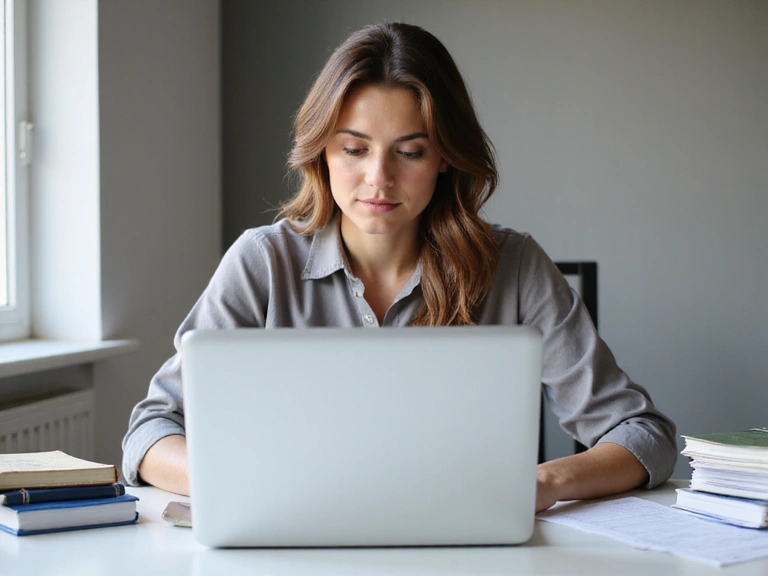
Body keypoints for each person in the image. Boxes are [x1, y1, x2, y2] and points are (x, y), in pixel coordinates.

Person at [122, 22, 676, 512]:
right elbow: (150, 434)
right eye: (355, 149)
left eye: (409, 151)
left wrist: (541, 483)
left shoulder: (515, 266)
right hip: (295, 541)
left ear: (444, 159)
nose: (379, 179)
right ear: (322, 152)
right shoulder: (261, 263)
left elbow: (642, 436)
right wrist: (247, 483)